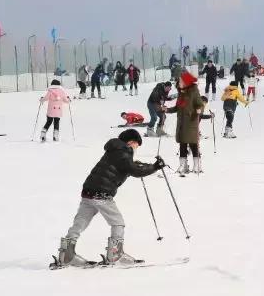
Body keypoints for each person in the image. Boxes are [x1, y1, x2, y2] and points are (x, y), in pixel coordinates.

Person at [54, 129, 165, 267]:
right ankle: (115, 255)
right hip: (102, 193)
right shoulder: (124, 152)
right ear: (131, 142)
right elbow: (134, 170)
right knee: (118, 222)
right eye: (137, 145)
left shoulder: (115, 150)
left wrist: (150, 166)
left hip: (89, 191)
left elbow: (131, 166)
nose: (136, 148)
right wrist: (155, 167)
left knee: (80, 223)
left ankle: (66, 255)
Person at [166, 71, 205, 174]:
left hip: (191, 122)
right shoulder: (180, 93)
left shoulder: (193, 91)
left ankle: (197, 166)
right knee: (182, 144)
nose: (179, 83)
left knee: (193, 144)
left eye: (181, 81)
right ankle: (183, 165)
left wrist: (199, 110)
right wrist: (167, 110)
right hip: (182, 123)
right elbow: (177, 108)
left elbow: (200, 104)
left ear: (187, 82)